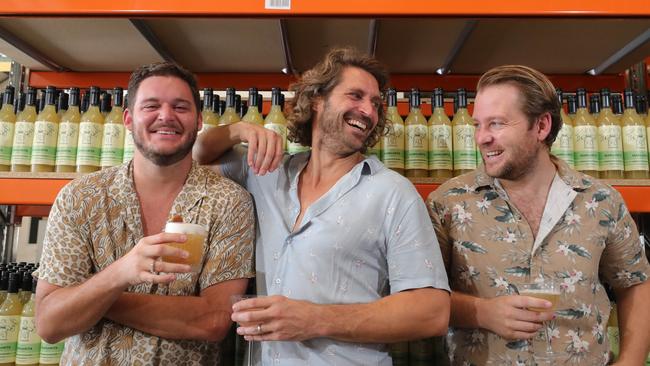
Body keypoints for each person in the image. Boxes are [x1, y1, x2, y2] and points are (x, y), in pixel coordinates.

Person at [193, 47, 450, 365]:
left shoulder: (393, 192)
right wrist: (237, 130)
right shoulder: (265, 171)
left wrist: (316, 319)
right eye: (355, 96)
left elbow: (432, 311)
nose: (368, 111)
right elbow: (194, 156)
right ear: (316, 100)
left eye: (375, 104)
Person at [427, 65, 650, 365]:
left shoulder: (600, 200)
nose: (481, 138)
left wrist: (631, 361)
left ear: (542, 126)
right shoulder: (449, 203)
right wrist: (482, 312)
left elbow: (635, 283)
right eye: (477, 124)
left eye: (496, 124)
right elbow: (422, 299)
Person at [35, 62, 255, 365]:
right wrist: (120, 273)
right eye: (151, 106)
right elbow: (50, 323)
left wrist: (94, 295)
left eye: (180, 107)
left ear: (199, 120)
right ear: (128, 119)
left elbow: (212, 320)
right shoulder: (79, 198)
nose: (166, 116)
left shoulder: (228, 202)